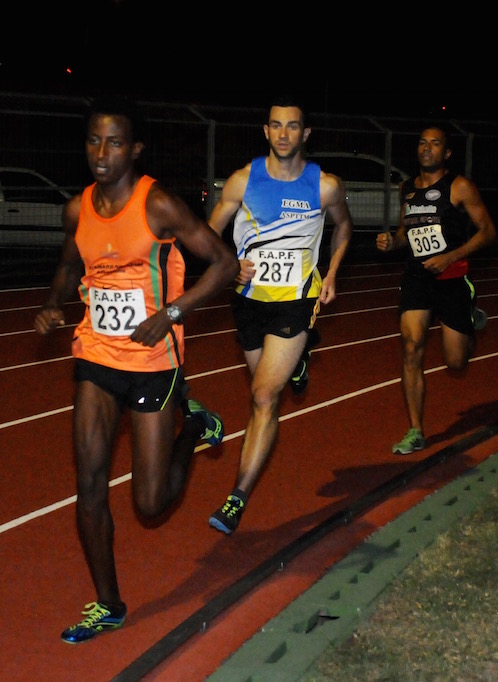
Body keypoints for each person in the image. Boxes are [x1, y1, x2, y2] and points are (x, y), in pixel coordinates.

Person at [34, 94, 239, 644]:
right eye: (94, 141)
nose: (102, 153)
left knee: (150, 503)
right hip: (96, 358)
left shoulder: (160, 205)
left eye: (115, 142)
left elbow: (225, 264)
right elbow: (67, 263)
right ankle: (109, 604)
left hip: (153, 361)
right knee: (90, 486)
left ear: (136, 149)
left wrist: (171, 313)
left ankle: (193, 425)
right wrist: (55, 303)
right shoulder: (77, 209)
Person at [206, 95, 354, 534]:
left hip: (296, 299)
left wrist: (332, 273)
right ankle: (299, 361)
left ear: (305, 134)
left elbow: (345, 227)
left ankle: (237, 497)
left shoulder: (324, 185)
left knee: (264, 397)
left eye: (293, 127)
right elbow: (206, 234)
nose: (284, 134)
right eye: (276, 126)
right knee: (261, 390)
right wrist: (231, 264)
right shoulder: (241, 181)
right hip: (249, 300)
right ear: (266, 131)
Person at [375, 125, 497, 455]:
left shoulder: (459, 187)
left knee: (456, 362)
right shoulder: (407, 190)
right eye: (422, 142)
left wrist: (451, 257)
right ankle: (416, 429)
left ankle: (469, 318)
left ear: (446, 153)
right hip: (416, 277)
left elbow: (488, 232)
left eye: (435, 144)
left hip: (453, 277)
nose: (427, 148)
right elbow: (405, 232)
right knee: (411, 346)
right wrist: (392, 242)